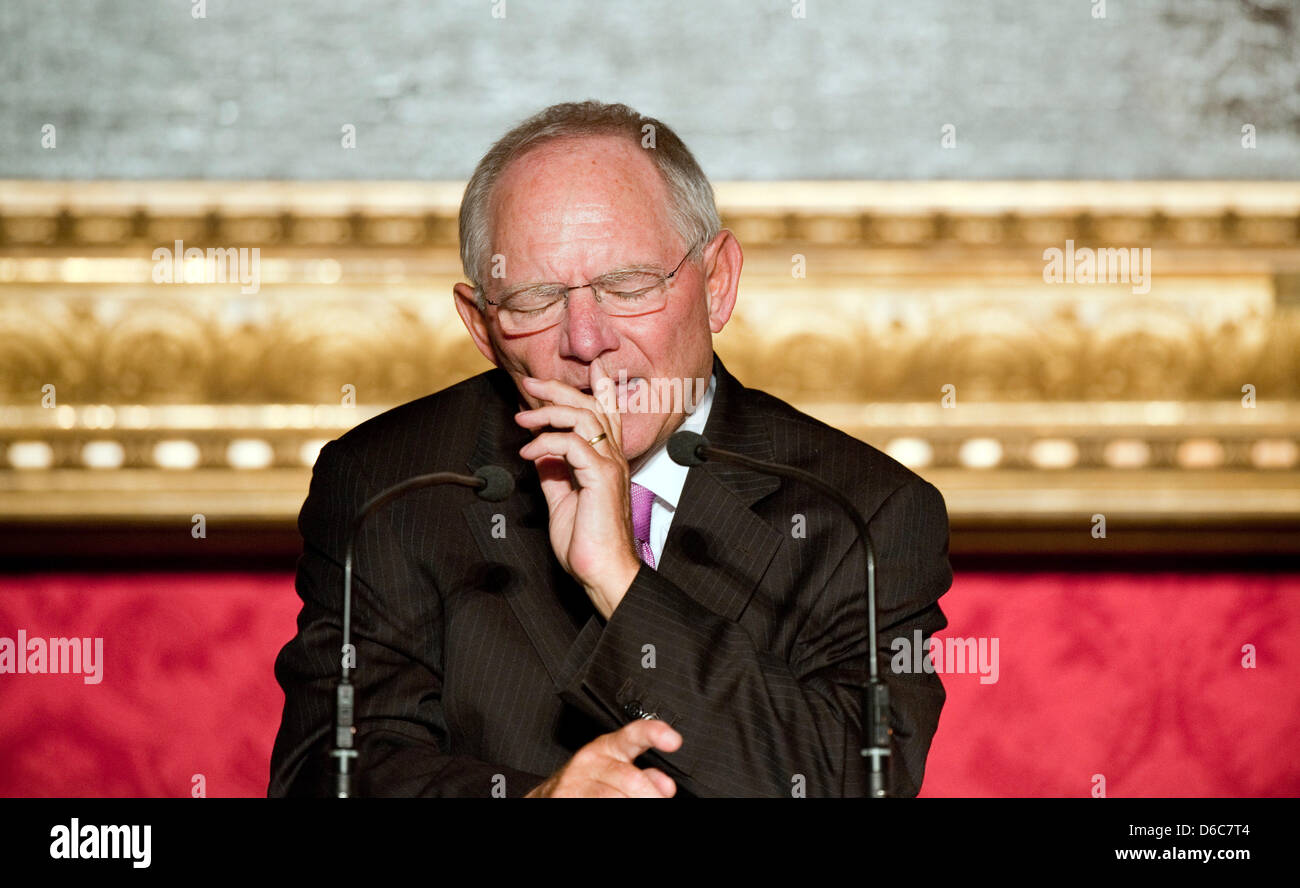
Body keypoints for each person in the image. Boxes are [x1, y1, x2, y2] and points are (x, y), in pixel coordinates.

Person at [269, 100, 952, 798]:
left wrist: (618, 582)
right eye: (535, 299)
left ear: (717, 283)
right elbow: (326, 777)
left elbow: (853, 780)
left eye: (627, 286)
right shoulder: (392, 487)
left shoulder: (865, 514)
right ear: (481, 326)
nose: (586, 340)